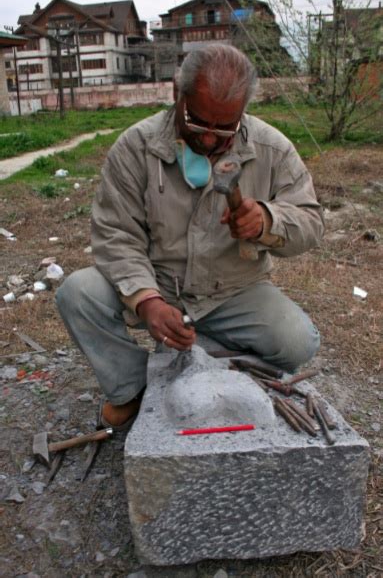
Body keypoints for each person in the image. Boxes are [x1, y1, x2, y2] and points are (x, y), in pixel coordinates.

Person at [56, 44, 324, 430]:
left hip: (233, 289)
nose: (212, 140)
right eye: (199, 124)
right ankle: (134, 387)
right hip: (158, 281)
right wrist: (146, 301)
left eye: (226, 129)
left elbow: (312, 221)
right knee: (77, 294)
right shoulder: (135, 148)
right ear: (176, 94)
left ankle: (215, 361)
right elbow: (117, 235)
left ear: (243, 112)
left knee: (298, 342)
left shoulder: (271, 148)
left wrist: (268, 221)